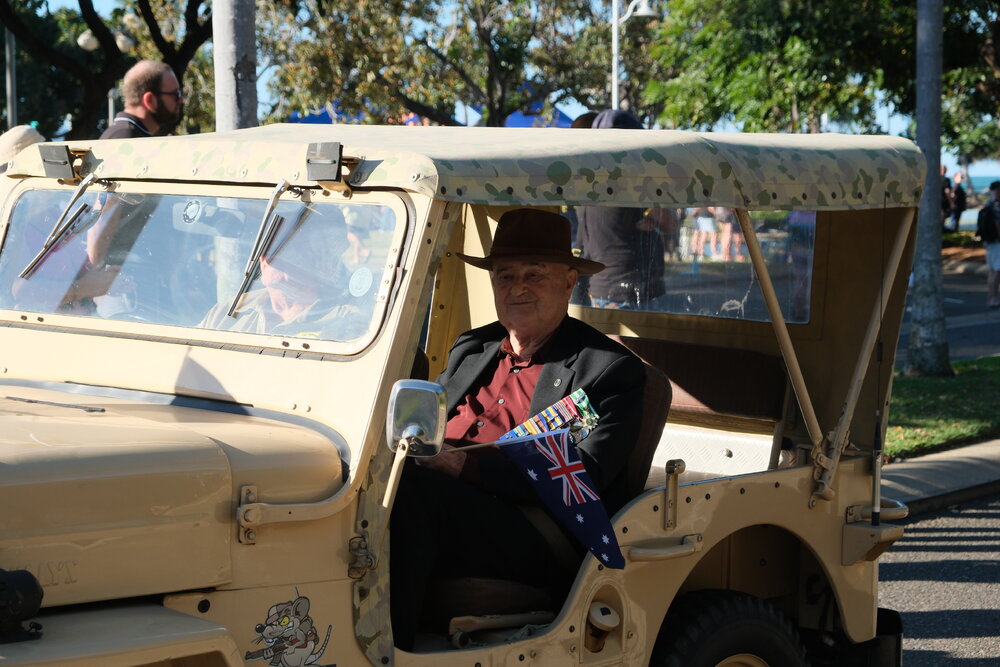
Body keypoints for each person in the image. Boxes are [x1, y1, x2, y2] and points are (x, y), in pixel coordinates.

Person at [389, 208, 645, 650]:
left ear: (569, 281)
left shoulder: (606, 370)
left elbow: (584, 476)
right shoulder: (474, 347)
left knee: (409, 490)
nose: (517, 288)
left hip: (533, 526)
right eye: (505, 276)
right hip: (440, 496)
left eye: (534, 275)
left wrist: (462, 467)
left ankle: (388, 649)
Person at [200, 209, 369, 339]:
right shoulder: (227, 312)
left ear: (326, 264)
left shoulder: (348, 324)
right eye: (267, 241)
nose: (267, 254)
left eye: (287, 245)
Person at [575, 109, 665, 308]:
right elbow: (670, 221)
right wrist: (655, 218)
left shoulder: (583, 178)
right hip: (629, 287)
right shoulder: (633, 179)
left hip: (604, 284)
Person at [99, 60, 183, 139]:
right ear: (149, 100)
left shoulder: (128, 133)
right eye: (176, 94)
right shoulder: (126, 137)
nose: (181, 100)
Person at [976, 180, 1000, 309]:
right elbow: (998, 225)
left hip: (988, 242)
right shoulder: (997, 205)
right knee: (997, 271)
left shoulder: (988, 204)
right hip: (997, 243)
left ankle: (990, 297)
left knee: (992, 271)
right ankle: (994, 298)